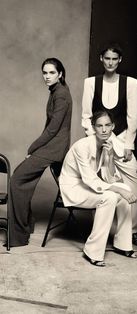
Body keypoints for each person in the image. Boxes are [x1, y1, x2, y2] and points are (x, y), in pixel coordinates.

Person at [81, 43, 137, 246]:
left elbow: (133, 116)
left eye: (114, 59)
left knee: (136, 184)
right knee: (100, 184)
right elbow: (86, 117)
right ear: (101, 59)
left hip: (123, 140)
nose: (110, 62)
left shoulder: (131, 83)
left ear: (119, 61)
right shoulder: (91, 82)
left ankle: (132, 230)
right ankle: (104, 230)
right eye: (107, 58)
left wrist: (128, 144)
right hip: (98, 142)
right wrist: (98, 140)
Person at [59, 110, 137, 267]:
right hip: (74, 187)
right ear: (94, 128)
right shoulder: (82, 146)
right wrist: (119, 191)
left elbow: (108, 178)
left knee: (123, 186)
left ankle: (123, 244)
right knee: (110, 197)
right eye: (99, 126)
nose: (104, 130)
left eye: (107, 125)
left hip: (87, 184)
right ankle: (92, 251)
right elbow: (90, 179)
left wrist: (109, 158)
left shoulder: (107, 145)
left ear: (113, 126)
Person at [8, 58, 72, 247]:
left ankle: (20, 235)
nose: (47, 76)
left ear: (60, 74)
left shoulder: (60, 94)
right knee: (20, 178)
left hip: (54, 148)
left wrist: (32, 148)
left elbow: (53, 129)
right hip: (51, 146)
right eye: (44, 72)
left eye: (51, 72)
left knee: (17, 180)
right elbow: (50, 126)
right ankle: (26, 225)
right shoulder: (56, 91)